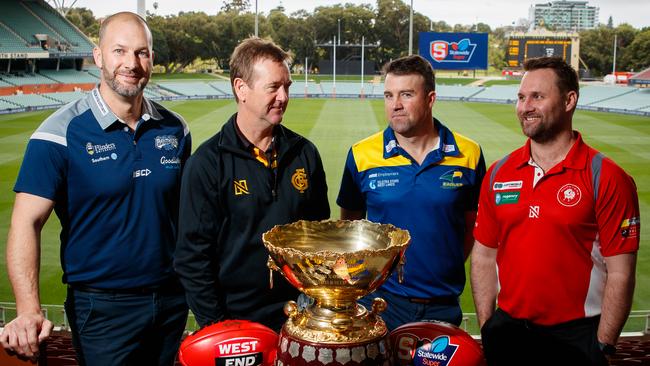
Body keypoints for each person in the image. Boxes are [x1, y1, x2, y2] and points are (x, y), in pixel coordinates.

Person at [0, 12, 191, 365]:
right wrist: (28, 310)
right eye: (119, 51)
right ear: (99, 56)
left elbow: (185, 218)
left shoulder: (176, 129)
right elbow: (26, 222)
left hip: (171, 301)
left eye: (141, 52)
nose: (131, 64)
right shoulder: (57, 133)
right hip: (102, 309)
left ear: (152, 59)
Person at [471, 57, 640, 365]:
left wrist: (602, 345)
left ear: (569, 100)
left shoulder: (607, 176)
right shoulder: (498, 174)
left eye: (538, 96)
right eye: (521, 98)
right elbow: (483, 256)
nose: (525, 107)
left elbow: (621, 272)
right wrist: (487, 325)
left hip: (576, 339)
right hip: (508, 333)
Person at [174, 37, 330, 332]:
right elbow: (192, 259)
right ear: (241, 89)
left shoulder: (305, 153)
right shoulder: (207, 164)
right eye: (273, 87)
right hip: (235, 323)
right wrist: (219, 327)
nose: (283, 96)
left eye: (287, 86)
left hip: (302, 320)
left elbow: (320, 239)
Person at [337, 55, 486, 331]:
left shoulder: (469, 154)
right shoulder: (361, 155)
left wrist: (444, 267)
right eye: (389, 95)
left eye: (406, 94)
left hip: (443, 304)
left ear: (430, 99)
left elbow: (472, 228)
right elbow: (349, 228)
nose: (395, 105)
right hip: (381, 302)